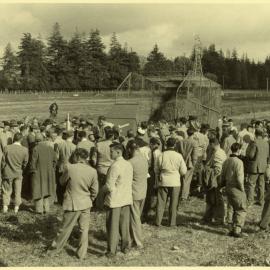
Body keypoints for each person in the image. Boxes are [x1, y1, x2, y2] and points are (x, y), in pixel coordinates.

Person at [48, 148, 98, 260]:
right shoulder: (92, 171)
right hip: (86, 202)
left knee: (65, 228)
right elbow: (95, 190)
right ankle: (81, 253)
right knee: (84, 229)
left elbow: (61, 182)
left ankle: (54, 250)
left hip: (72, 202)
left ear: (78, 157)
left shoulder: (70, 168)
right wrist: (91, 199)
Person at [103, 142, 133, 257]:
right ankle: (125, 247)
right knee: (124, 224)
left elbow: (109, 185)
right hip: (126, 198)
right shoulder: (128, 164)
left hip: (115, 200)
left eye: (111, 152)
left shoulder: (115, 165)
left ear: (118, 152)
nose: (110, 154)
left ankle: (111, 251)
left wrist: (102, 193)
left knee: (112, 226)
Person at [155, 137, 187, 227]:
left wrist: (159, 174)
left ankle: (158, 221)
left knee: (161, 202)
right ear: (175, 145)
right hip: (175, 181)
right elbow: (183, 171)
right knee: (174, 202)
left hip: (164, 180)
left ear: (166, 145)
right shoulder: (178, 156)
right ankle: (172, 222)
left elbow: (156, 169)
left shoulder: (161, 155)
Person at [220, 143, 247, 237]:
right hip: (236, 187)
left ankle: (230, 228)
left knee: (231, 207)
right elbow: (240, 178)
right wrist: (242, 189)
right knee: (241, 208)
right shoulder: (239, 162)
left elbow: (222, 176)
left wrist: (221, 186)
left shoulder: (226, 161)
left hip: (228, 186)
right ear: (239, 150)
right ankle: (237, 230)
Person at [126, 140, 148, 249]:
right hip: (143, 191)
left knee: (134, 219)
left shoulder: (130, 162)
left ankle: (138, 242)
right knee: (137, 217)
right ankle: (133, 239)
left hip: (134, 193)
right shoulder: (144, 160)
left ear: (130, 149)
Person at [29, 133, 57, 214]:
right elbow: (55, 160)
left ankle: (39, 209)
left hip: (38, 173)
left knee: (38, 190)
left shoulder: (36, 149)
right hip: (49, 173)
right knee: (46, 190)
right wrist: (52, 169)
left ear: (36, 141)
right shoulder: (50, 148)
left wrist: (32, 171)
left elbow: (33, 162)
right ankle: (46, 208)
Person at [1, 133, 29, 213]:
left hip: (7, 172)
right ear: (21, 139)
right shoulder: (25, 150)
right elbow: (25, 162)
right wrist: (21, 168)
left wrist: (3, 169)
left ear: (14, 138)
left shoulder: (7, 148)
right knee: (18, 190)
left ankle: (5, 207)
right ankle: (16, 208)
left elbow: (3, 161)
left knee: (6, 190)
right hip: (18, 172)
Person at [202, 137, 227, 224]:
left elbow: (218, 169)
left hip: (215, 180)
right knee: (212, 199)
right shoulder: (220, 152)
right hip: (215, 179)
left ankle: (219, 218)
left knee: (216, 199)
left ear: (212, 144)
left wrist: (211, 177)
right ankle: (209, 217)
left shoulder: (218, 154)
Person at [245, 128, 269, 206]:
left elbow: (251, 155)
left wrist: (247, 154)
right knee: (261, 184)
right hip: (263, 166)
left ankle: (250, 201)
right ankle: (261, 201)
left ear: (255, 134)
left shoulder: (254, 143)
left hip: (254, 167)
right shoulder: (266, 143)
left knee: (251, 184)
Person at [176, 127, 199, 203]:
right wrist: (194, 164)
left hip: (180, 162)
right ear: (193, 134)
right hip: (189, 163)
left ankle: (178, 194)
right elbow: (195, 156)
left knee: (180, 179)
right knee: (187, 180)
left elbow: (177, 152)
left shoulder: (181, 141)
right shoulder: (194, 142)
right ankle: (183, 196)